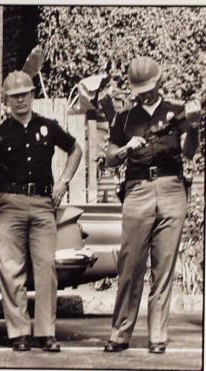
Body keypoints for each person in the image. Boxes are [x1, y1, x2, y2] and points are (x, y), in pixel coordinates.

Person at [0, 70, 82, 352]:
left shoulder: (47, 126)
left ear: (33, 95)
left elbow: (76, 149)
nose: (20, 100)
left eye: (24, 94)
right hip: (9, 202)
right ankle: (19, 333)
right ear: (6, 100)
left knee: (46, 267)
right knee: (11, 269)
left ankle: (46, 333)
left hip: (42, 202)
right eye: (14, 96)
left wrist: (64, 181)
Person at [104, 56, 201, 354]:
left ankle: (158, 335)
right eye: (139, 89)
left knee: (164, 266)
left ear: (159, 81)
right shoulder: (123, 118)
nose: (144, 94)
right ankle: (120, 333)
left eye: (148, 87)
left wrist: (194, 127)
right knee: (130, 264)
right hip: (137, 189)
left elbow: (189, 151)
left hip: (171, 189)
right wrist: (124, 149)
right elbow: (109, 157)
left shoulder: (176, 111)